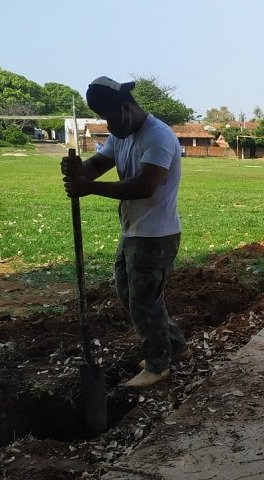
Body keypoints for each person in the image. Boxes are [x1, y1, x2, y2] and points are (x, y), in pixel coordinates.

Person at [61, 76, 188, 389]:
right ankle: (175, 346)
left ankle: (158, 365)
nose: (109, 125)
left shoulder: (157, 136)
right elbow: (98, 163)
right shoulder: (122, 134)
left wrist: (89, 188)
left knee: (144, 300)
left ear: (126, 108)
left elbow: (144, 186)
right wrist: (77, 172)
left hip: (155, 235)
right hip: (134, 231)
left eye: (110, 117)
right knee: (129, 293)